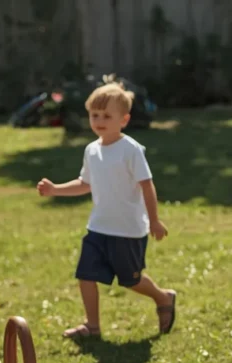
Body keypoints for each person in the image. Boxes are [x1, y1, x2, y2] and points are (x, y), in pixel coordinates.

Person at [37, 82, 176, 339]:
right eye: (94, 115)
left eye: (107, 116)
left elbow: (147, 186)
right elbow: (85, 184)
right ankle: (92, 326)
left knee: (131, 280)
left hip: (128, 231)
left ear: (124, 120)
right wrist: (55, 189)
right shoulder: (91, 150)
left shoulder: (131, 150)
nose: (99, 120)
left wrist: (154, 220)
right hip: (98, 227)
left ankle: (163, 296)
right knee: (85, 275)